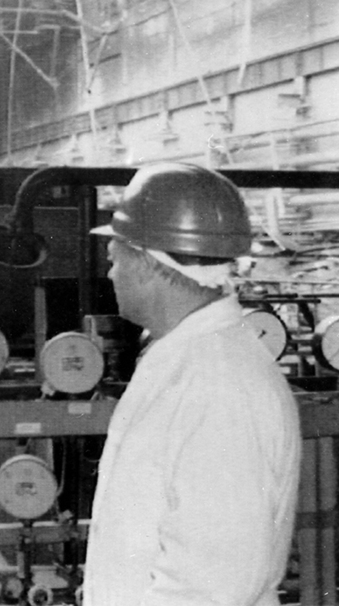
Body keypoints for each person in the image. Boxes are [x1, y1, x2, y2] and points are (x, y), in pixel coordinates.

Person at [82, 162, 301, 606]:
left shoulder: (219, 387)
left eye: (115, 260)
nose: (111, 275)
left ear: (147, 262)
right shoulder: (188, 358)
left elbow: (212, 585)